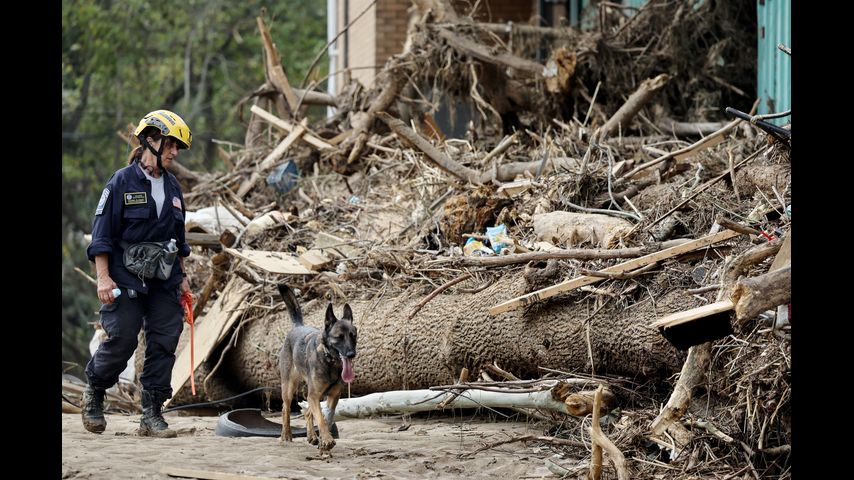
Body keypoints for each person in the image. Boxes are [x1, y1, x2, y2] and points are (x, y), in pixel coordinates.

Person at [82, 110, 194, 437]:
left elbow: (179, 241)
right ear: (150, 140)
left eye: (177, 147)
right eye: (170, 144)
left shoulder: (173, 188)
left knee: (164, 341)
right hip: (125, 278)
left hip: (164, 281)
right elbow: (101, 235)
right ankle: (96, 391)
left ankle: (152, 413)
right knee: (123, 338)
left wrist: (183, 278)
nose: (174, 152)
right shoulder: (120, 182)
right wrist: (103, 279)